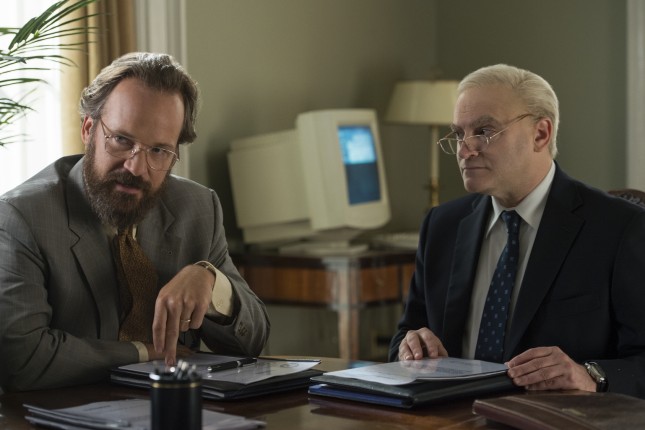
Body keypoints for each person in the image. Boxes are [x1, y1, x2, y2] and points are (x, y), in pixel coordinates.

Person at [0, 52, 270, 392]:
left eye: (159, 151)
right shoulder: (22, 217)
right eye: (122, 140)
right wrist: (143, 354)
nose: (136, 168)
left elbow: (254, 340)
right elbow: (22, 359)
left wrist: (212, 284)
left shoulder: (198, 208)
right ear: (89, 129)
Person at [389, 64, 645, 398]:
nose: (465, 150)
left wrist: (589, 375)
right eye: (459, 134)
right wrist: (409, 346)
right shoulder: (442, 225)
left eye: (484, 131)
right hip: (450, 414)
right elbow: (406, 334)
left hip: (554, 416)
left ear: (541, 134)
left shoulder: (620, 228)